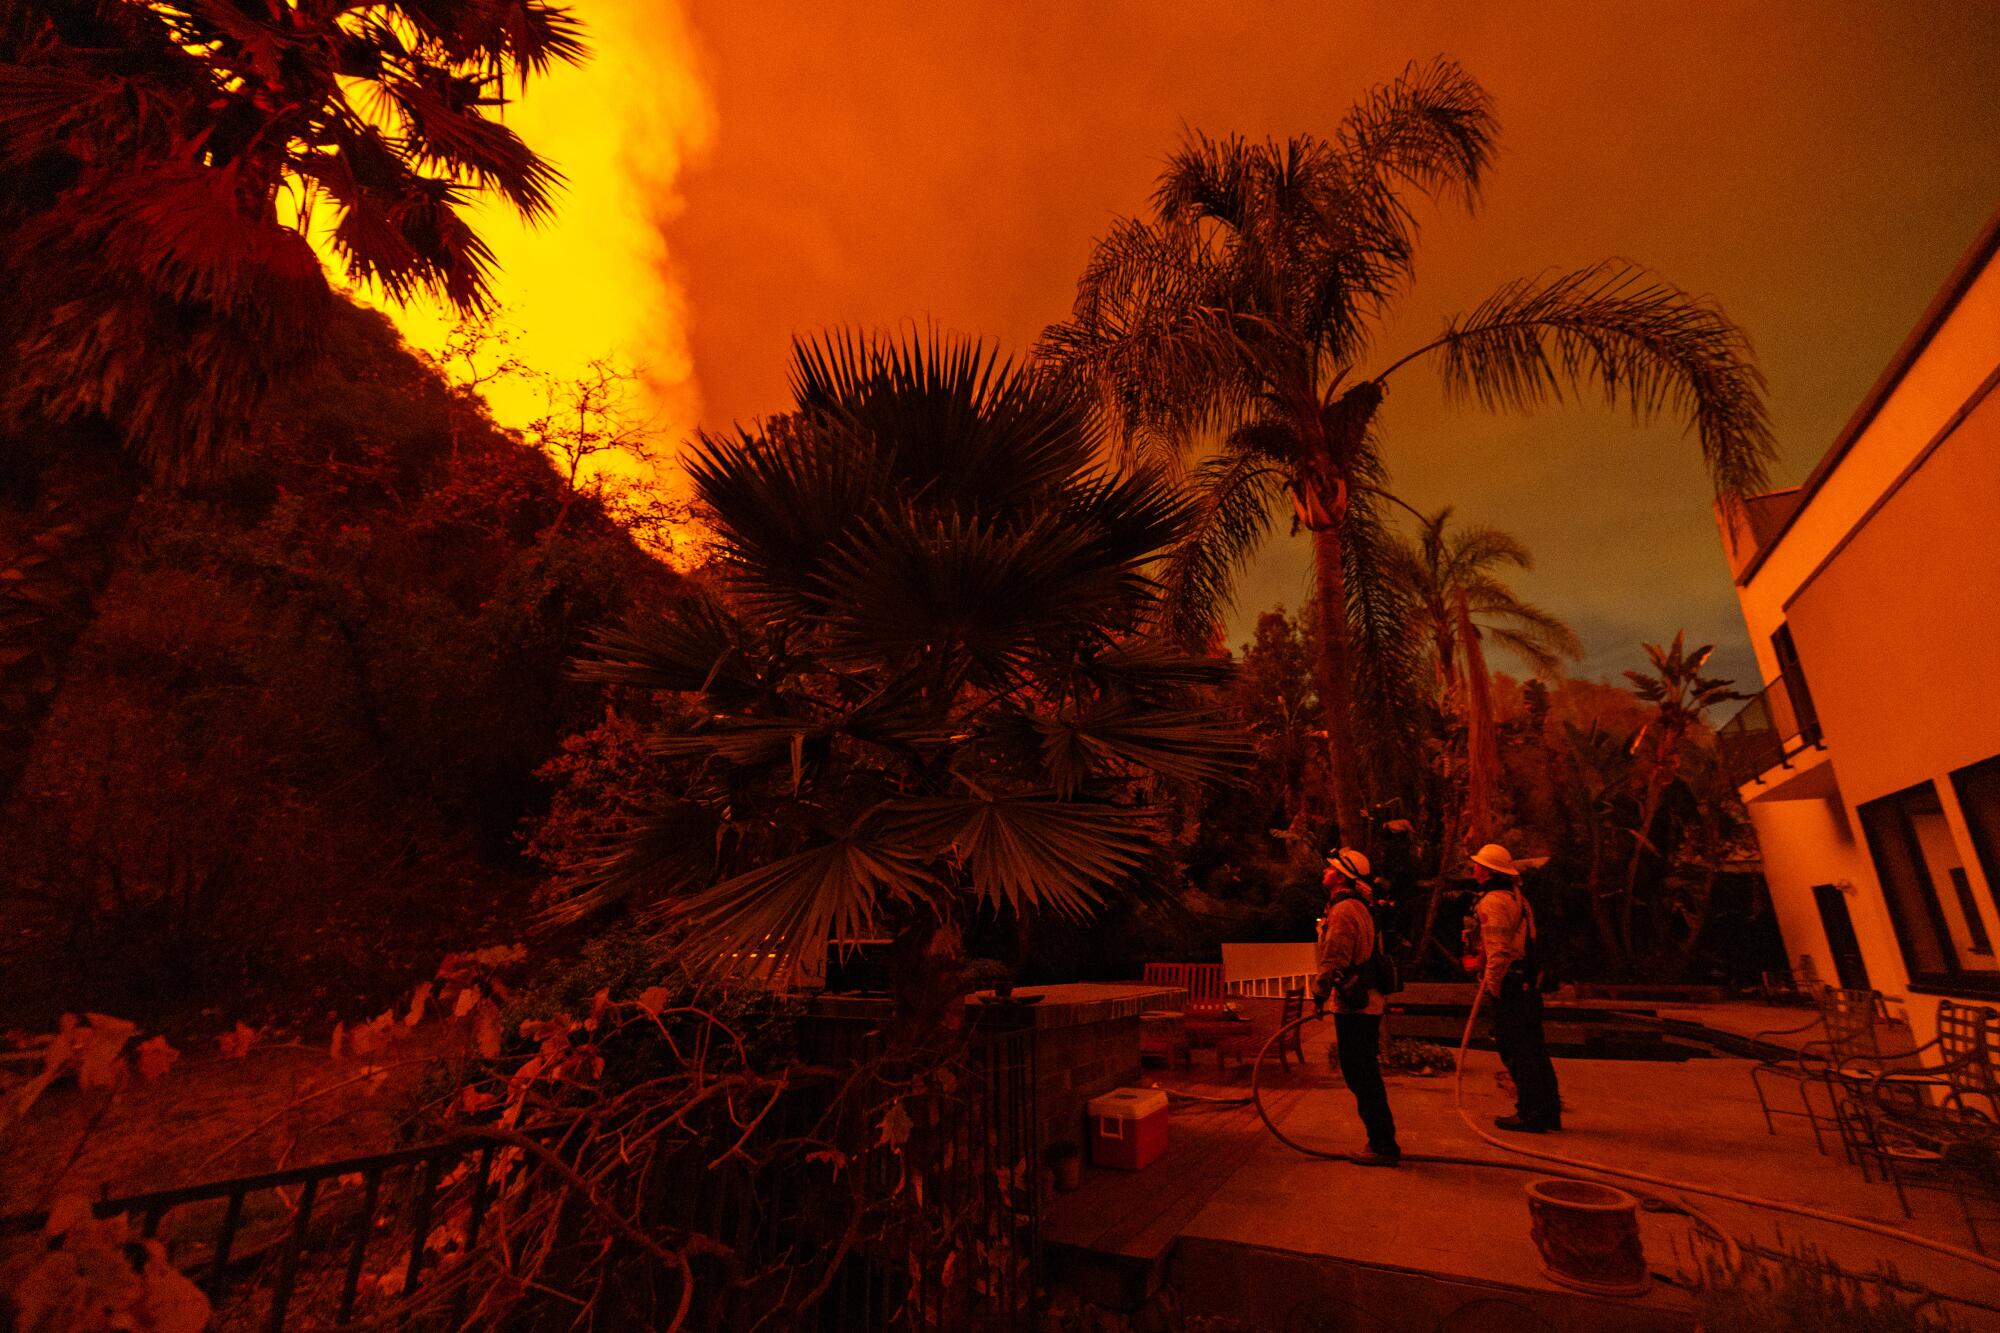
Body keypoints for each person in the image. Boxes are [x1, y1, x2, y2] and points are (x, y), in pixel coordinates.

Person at [1313, 847, 1401, 1166]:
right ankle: (1381, 1141)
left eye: (1330, 868)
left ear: (1340, 876)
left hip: (1356, 1006)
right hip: (1367, 1002)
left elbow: (1335, 958)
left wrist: (1319, 995)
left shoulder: (1345, 910)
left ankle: (1382, 1145)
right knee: (1364, 1072)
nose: (1325, 871)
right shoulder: (1360, 907)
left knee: (1361, 1074)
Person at [1468, 843, 1563, 1132]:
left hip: (1510, 983)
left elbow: (1498, 952)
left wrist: (1492, 987)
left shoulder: (1493, 903)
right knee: (1534, 1047)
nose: (1473, 868)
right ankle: (1547, 1111)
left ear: (1486, 871)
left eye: (1477, 864)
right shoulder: (1518, 899)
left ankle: (1530, 1113)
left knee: (1517, 1049)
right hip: (1526, 982)